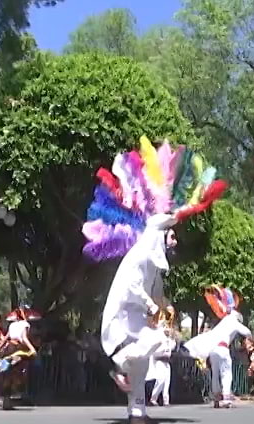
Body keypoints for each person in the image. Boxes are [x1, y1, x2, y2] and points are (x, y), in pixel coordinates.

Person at [83, 136, 226, 424]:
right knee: (153, 346)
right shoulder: (142, 252)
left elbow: (156, 293)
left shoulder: (154, 262)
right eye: (170, 236)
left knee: (144, 364)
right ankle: (119, 365)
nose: (173, 241)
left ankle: (137, 412)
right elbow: (134, 288)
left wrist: (162, 307)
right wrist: (188, 206)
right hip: (124, 317)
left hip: (137, 317)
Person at [184, 286, 252, 409]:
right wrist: (251, 338)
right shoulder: (234, 322)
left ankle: (216, 398)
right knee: (226, 373)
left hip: (213, 350)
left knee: (215, 373)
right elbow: (246, 332)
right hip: (223, 349)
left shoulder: (222, 322)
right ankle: (226, 399)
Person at [0, 307, 39, 410]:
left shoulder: (12, 325)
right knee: (16, 372)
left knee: (7, 374)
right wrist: (32, 348)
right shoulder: (25, 324)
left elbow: (6, 338)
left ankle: (6, 400)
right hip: (18, 349)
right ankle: (10, 394)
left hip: (9, 349)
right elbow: (24, 338)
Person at [147, 307, 176, 407]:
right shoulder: (159, 336)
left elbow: (172, 347)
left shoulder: (169, 338)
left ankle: (166, 401)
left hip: (166, 361)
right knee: (161, 379)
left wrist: (171, 339)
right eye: (166, 328)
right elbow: (155, 350)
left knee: (167, 382)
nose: (167, 329)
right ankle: (153, 399)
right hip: (159, 361)